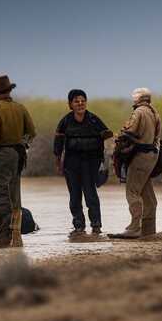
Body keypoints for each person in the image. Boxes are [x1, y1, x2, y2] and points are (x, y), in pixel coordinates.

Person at [0, 75, 36, 248]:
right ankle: (16, 235)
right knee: (15, 194)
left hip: (4, 154)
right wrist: (23, 144)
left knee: (0, 194)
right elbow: (31, 132)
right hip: (20, 154)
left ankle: (4, 236)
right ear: (9, 90)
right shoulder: (20, 108)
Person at [54, 89, 113, 235]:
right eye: (76, 101)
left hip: (91, 163)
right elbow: (58, 144)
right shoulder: (65, 121)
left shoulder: (94, 119)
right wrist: (58, 162)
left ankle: (96, 225)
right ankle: (79, 226)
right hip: (71, 163)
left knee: (90, 194)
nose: (80, 103)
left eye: (83, 101)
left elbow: (108, 138)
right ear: (70, 104)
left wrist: (106, 162)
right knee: (74, 196)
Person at [108, 88, 161, 239]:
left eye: (134, 96)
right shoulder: (154, 112)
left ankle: (134, 227)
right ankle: (149, 229)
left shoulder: (138, 112)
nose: (133, 99)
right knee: (146, 192)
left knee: (132, 191)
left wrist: (117, 144)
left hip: (140, 156)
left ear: (138, 98)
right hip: (152, 154)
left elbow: (128, 132)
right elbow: (157, 136)